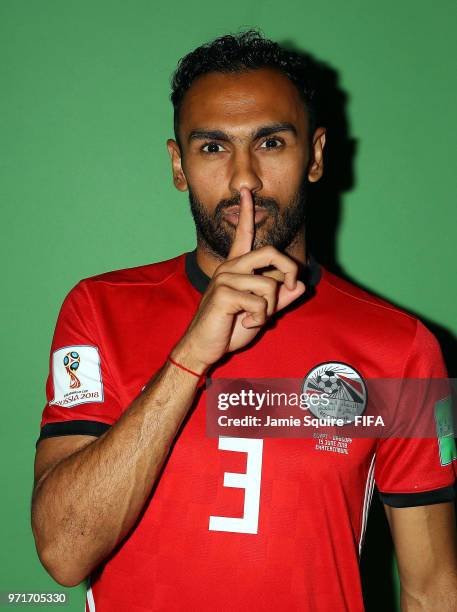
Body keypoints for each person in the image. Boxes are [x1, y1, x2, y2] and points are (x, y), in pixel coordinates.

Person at [31, 30, 457, 611]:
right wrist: (190, 357)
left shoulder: (402, 348)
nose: (244, 179)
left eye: (271, 143)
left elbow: (434, 590)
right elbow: (64, 552)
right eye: (212, 148)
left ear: (316, 155)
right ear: (178, 165)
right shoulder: (98, 309)